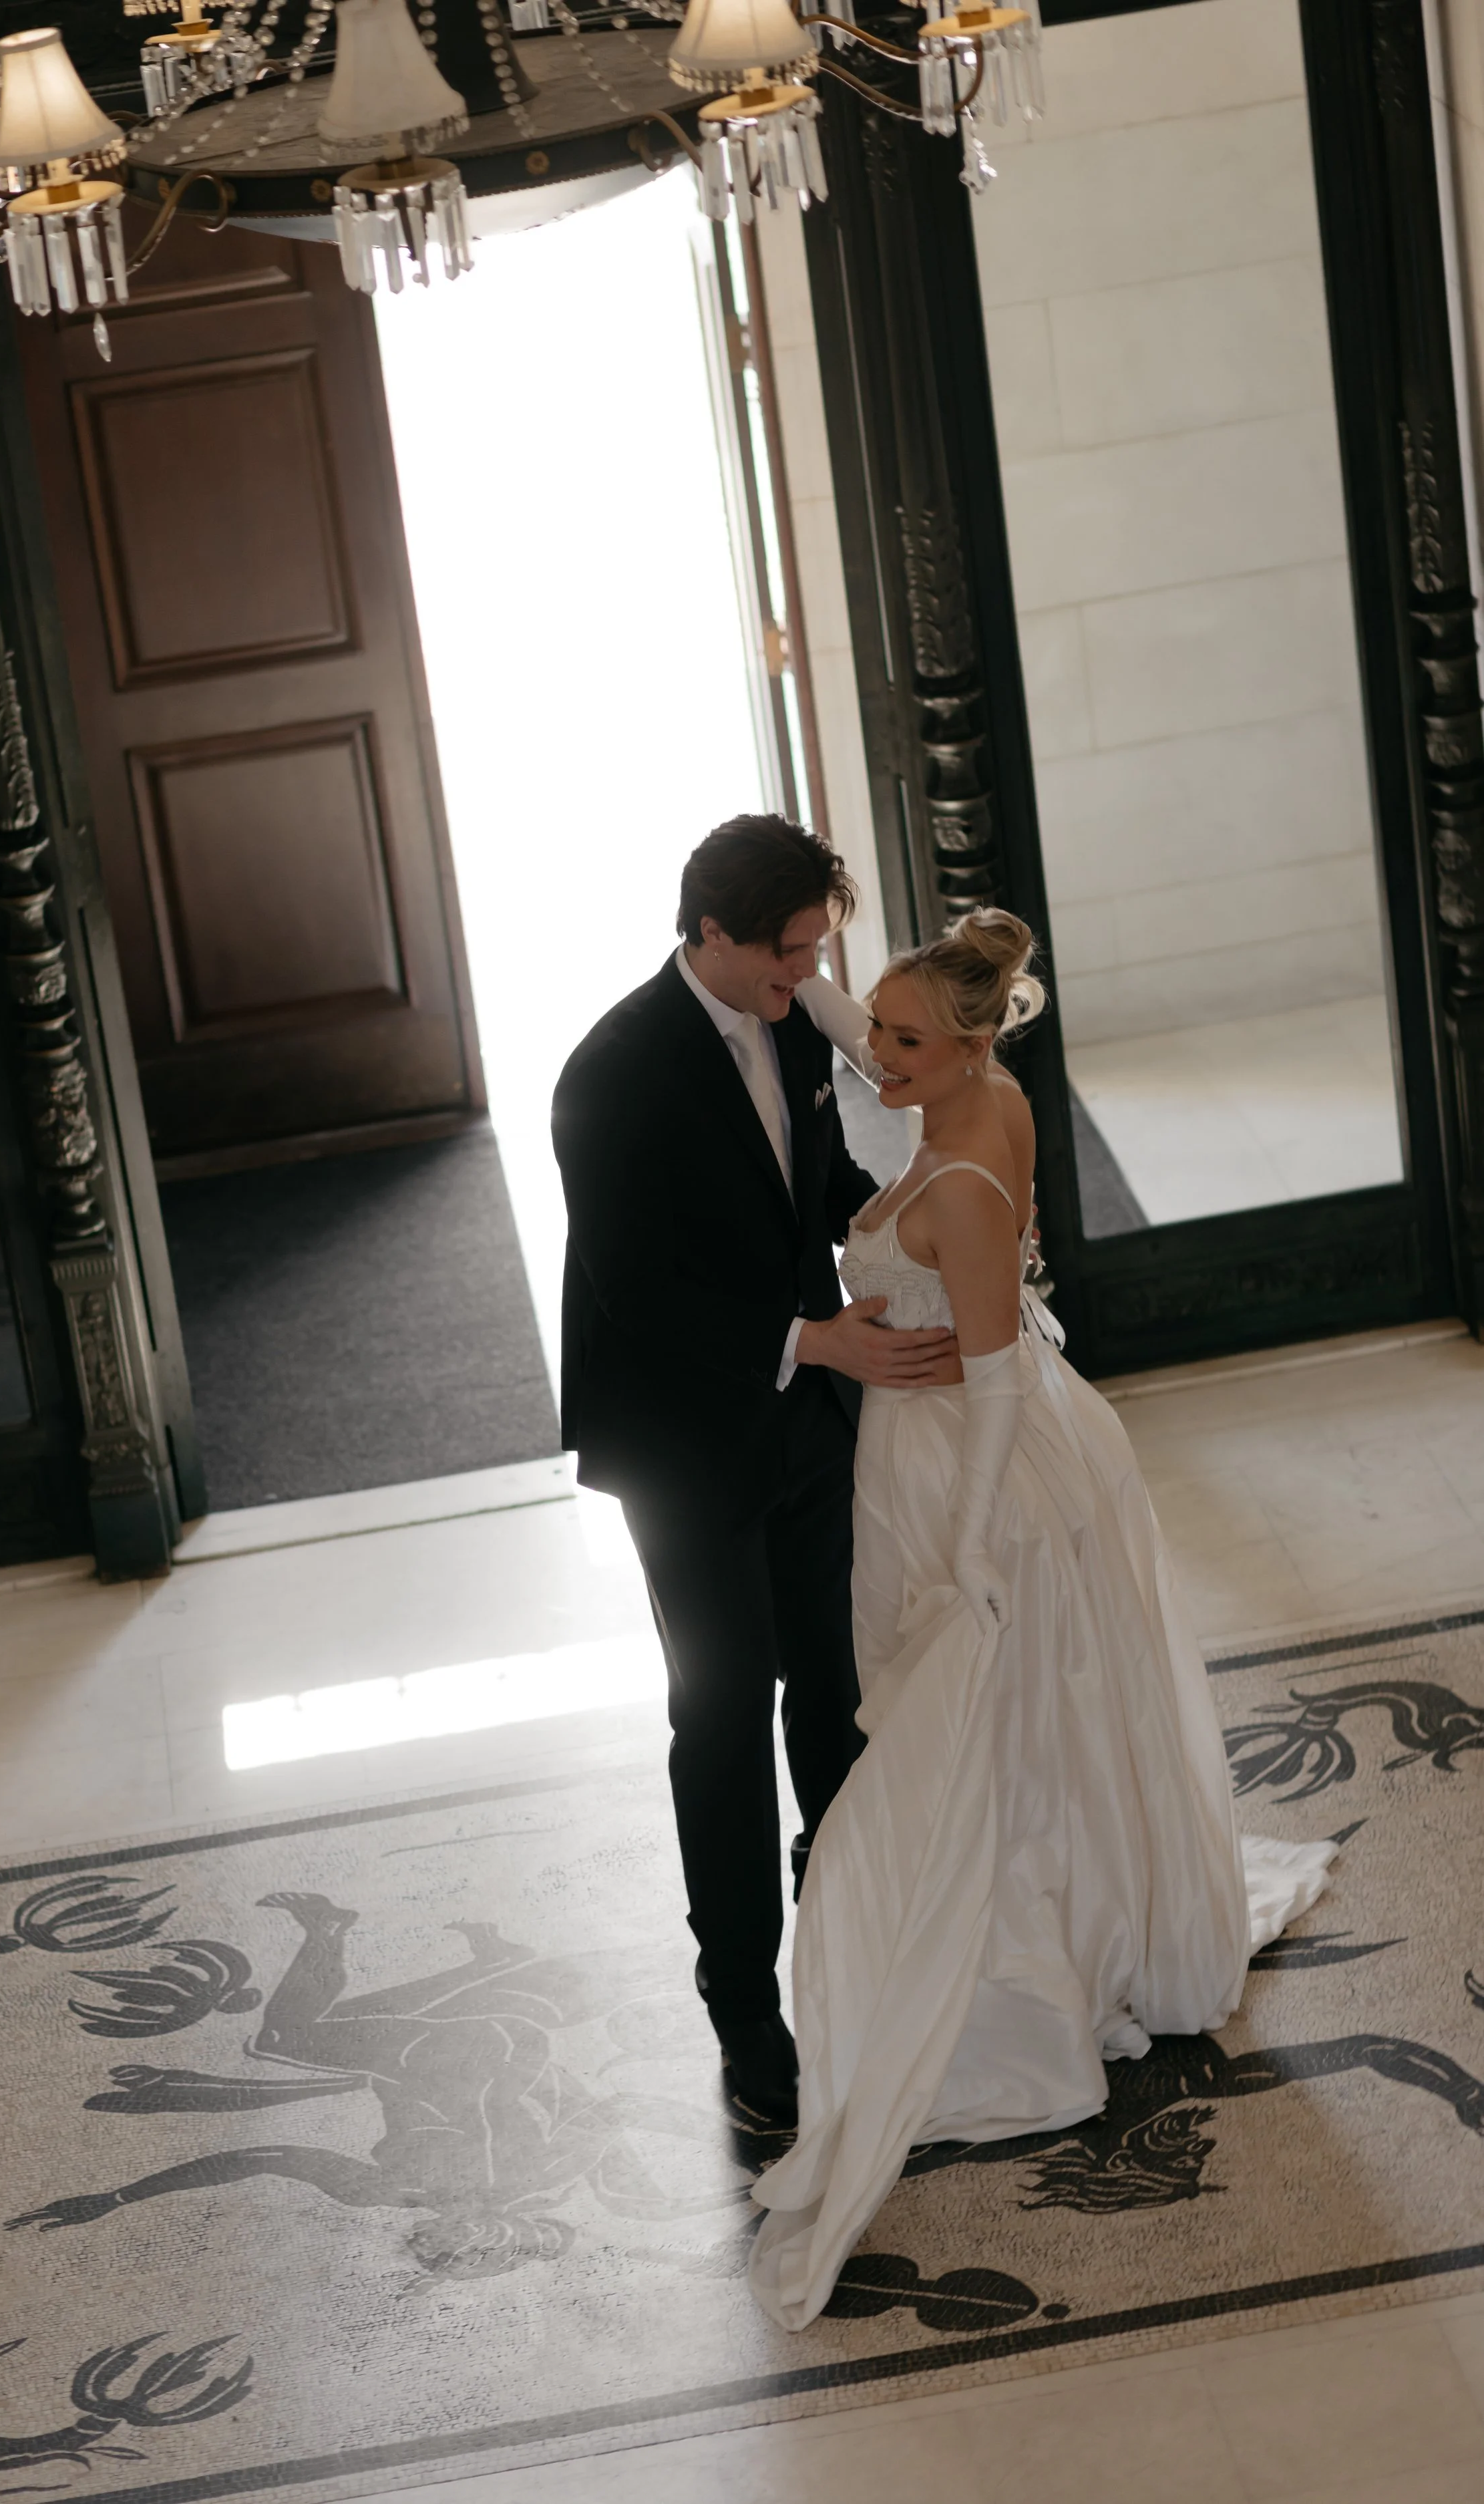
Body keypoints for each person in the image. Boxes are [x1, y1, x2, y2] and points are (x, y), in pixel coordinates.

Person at [747, 907, 1336, 2328]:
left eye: (899, 1038)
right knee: (1038, 1716)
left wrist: (962, 1555)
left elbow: (997, 1382)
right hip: (961, 1449)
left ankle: (1012, 1991)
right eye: (873, 1029)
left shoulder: (952, 1184)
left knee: (971, 1731)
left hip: (976, 1469)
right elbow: (872, 1039)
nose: (871, 1054)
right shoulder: (983, 1089)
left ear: (958, 1046)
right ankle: (1090, 1924)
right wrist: (804, 980)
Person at [551, 815, 962, 2130]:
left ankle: (841, 1939)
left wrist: (908, 1228)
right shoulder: (608, 1074)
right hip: (680, 1441)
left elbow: (812, 1178)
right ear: (711, 936)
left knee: (829, 1688)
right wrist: (807, 1335)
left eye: (814, 951)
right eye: (788, 954)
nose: (809, 978)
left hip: (803, 1416)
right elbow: (638, 1292)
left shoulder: (783, 1014)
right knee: (721, 1714)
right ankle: (744, 2012)